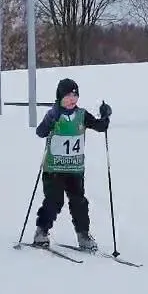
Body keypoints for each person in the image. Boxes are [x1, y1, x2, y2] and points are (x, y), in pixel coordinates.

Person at [31, 78, 111, 251]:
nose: (71, 99)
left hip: (75, 170)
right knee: (53, 201)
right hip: (54, 169)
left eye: (75, 95)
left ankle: (83, 235)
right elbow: (41, 132)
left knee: (79, 203)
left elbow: (100, 126)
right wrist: (51, 119)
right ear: (60, 97)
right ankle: (41, 231)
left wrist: (105, 116)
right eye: (67, 96)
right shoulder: (54, 114)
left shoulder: (82, 115)